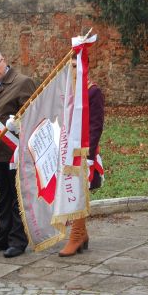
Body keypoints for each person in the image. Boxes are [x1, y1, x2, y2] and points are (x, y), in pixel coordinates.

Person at [0, 49, 36, 258]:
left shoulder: (23, 82)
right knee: (3, 196)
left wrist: (18, 125)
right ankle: (1, 237)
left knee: (17, 197)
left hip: (17, 151)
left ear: (5, 60)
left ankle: (18, 240)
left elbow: (35, 116)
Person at [58, 55, 105, 257]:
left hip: (84, 150)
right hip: (67, 148)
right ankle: (82, 233)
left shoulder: (93, 91)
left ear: (85, 66)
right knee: (70, 190)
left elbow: (96, 126)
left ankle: (76, 235)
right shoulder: (68, 91)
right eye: (71, 65)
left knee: (79, 192)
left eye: (77, 65)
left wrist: (90, 156)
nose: (73, 69)